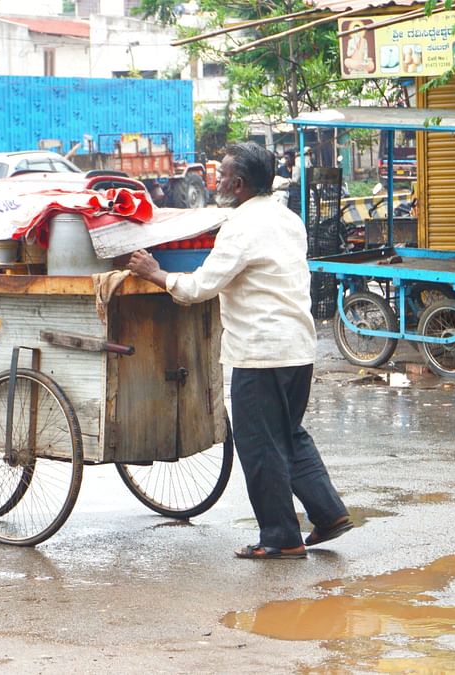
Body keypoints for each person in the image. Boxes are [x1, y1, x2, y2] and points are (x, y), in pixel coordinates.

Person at [126, 142, 351, 560]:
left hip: (260, 354)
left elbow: (199, 288)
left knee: (260, 445)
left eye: (224, 174)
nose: (218, 180)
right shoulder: (286, 219)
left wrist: (155, 273)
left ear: (240, 183)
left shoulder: (241, 226)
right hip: (298, 349)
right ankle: (329, 513)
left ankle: (281, 537)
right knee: (288, 436)